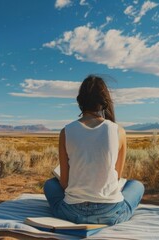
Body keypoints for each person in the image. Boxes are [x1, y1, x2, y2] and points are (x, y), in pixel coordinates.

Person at [43, 75, 145, 226]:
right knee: (137, 186)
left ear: (80, 101)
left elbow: (64, 184)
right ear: (104, 102)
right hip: (110, 213)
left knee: (50, 185)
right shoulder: (119, 131)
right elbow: (116, 179)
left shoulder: (66, 132)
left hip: (72, 213)